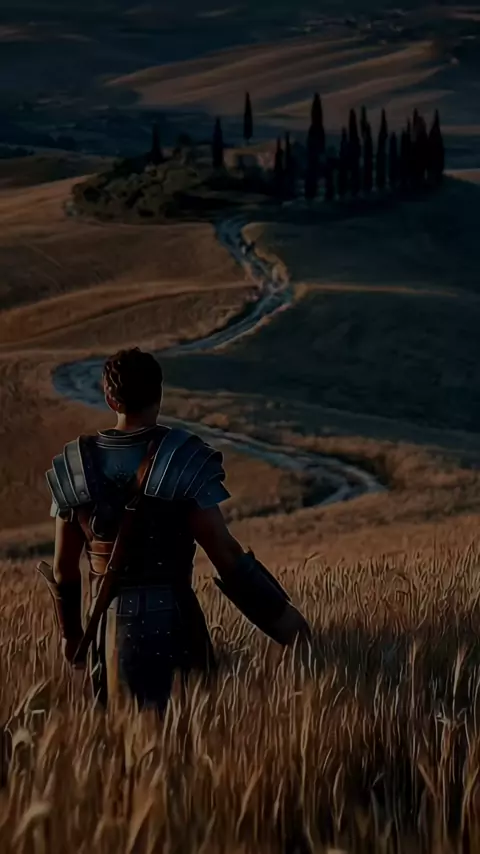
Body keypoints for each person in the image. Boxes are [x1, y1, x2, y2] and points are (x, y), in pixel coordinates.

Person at [41, 348, 310, 712]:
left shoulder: (75, 466)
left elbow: (64, 570)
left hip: (108, 633)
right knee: (190, 732)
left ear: (109, 399)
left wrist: (71, 636)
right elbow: (224, 553)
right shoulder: (182, 457)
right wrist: (283, 620)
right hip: (177, 626)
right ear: (159, 395)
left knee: (120, 736)